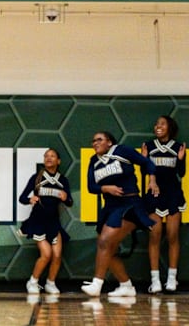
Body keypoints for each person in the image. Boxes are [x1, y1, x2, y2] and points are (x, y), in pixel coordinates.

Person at [81, 131, 158, 297]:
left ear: (109, 142)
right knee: (109, 248)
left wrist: (152, 180)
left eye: (99, 140)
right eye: (93, 140)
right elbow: (91, 186)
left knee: (104, 241)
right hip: (109, 206)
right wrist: (105, 188)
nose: (95, 143)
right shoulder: (94, 161)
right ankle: (126, 286)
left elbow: (147, 163)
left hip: (129, 204)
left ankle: (96, 284)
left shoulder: (122, 151)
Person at [18, 148, 73, 295]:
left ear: (58, 161)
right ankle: (33, 281)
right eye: (46, 156)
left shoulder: (62, 180)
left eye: (52, 156)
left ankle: (50, 283)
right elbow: (22, 198)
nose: (49, 158)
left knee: (57, 254)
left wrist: (65, 198)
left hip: (53, 222)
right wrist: (30, 199)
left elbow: (70, 202)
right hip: (38, 221)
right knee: (47, 254)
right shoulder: (37, 177)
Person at [141, 115, 185, 293]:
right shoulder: (149, 146)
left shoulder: (177, 146)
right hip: (154, 193)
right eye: (156, 123)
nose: (158, 126)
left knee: (173, 235)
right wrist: (144, 159)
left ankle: (172, 280)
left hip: (173, 194)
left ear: (170, 128)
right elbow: (144, 171)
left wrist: (181, 159)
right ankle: (155, 280)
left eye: (162, 124)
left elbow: (181, 173)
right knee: (155, 236)